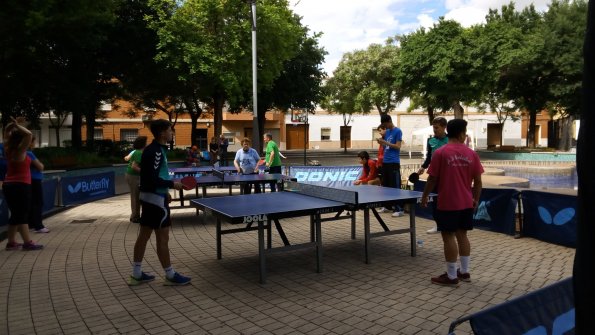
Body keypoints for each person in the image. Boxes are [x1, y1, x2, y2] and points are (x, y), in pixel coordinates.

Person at [421, 119, 483, 287]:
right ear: (462, 133)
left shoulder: (441, 153)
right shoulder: (472, 154)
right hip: (466, 202)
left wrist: (425, 196)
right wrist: (476, 199)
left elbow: (432, 179)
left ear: (448, 131)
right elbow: (478, 182)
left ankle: (451, 276)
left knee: (448, 236)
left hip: (447, 202)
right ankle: (464, 272)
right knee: (462, 235)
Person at [129, 119, 190, 286]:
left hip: (151, 198)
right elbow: (151, 178)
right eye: (170, 130)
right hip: (156, 202)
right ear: (162, 133)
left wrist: (165, 193)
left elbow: (149, 176)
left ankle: (136, 274)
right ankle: (170, 275)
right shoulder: (156, 151)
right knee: (163, 238)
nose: (172, 133)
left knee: (143, 236)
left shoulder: (153, 149)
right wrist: (172, 185)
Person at [3, 117, 43, 250]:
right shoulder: (20, 151)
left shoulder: (8, 149)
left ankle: (11, 242)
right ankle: (27, 242)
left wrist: (12, 127)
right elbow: (29, 135)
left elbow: (7, 132)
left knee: (15, 214)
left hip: (8, 185)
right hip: (21, 186)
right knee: (22, 215)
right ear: (22, 140)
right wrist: (17, 125)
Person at [417, 117, 448, 234]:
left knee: (447, 200)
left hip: (448, 176)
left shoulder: (450, 140)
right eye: (433, 128)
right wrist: (423, 167)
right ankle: (438, 225)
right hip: (435, 176)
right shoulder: (430, 141)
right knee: (435, 200)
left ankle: (448, 225)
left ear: (444, 127)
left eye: (437, 127)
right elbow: (429, 157)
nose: (435, 130)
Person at [376, 114, 404, 217]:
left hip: (394, 162)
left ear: (389, 121)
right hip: (385, 162)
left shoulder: (398, 131)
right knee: (386, 186)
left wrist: (385, 142)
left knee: (395, 186)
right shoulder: (387, 132)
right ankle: (387, 206)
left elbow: (397, 146)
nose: (385, 127)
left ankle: (399, 208)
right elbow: (386, 146)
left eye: (385, 124)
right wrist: (381, 143)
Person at [27, 136, 48, 233]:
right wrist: (40, 164)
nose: (35, 144)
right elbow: (40, 167)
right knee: (38, 202)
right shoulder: (29, 153)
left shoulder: (23, 153)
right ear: (30, 143)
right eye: (34, 142)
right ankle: (38, 226)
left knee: (32, 203)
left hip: (30, 180)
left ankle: (31, 224)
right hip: (35, 180)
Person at [125, 136, 147, 223]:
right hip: (133, 176)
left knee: (136, 196)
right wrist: (145, 172)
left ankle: (135, 215)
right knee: (135, 197)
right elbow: (134, 166)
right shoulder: (138, 153)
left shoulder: (139, 152)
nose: (147, 144)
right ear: (143, 144)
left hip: (133, 175)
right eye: (146, 142)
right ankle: (135, 217)